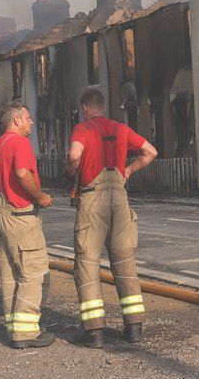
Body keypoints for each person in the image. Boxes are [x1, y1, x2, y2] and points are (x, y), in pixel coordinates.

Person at [66, 86, 158, 348]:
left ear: (85, 108)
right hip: (119, 198)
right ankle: (134, 328)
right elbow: (151, 151)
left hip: (92, 198)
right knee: (125, 262)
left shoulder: (82, 129)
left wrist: (71, 170)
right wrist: (128, 170)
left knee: (87, 263)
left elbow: (74, 155)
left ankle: (94, 332)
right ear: (103, 106)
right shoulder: (120, 128)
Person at [0, 101, 55, 349]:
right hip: (20, 216)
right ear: (16, 120)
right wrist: (40, 197)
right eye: (27, 118)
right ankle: (25, 333)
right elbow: (23, 173)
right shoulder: (19, 143)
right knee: (33, 274)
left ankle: (14, 326)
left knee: (9, 276)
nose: (31, 122)